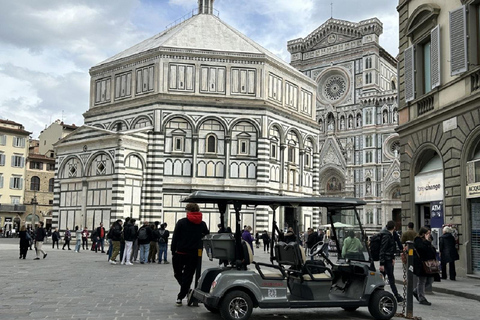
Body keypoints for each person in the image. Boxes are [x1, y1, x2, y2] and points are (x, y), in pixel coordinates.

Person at [171, 203, 209, 306]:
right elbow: (207, 236)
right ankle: (184, 293)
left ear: (188, 211)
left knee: (177, 273)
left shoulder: (182, 222)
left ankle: (182, 295)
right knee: (188, 276)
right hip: (194, 254)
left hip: (180, 253)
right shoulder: (202, 224)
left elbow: (175, 237)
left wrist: (172, 250)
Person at [379, 220, 403, 302]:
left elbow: (391, 248)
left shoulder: (390, 234)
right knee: (390, 278)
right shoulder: (387, 235)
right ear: (394, 227)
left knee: (384, 278)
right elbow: (383, 249)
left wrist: (392, 257)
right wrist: (382, 263)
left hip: (388, 258)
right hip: (386, 260)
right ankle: (396, 296)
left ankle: (381, 294)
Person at [413, 227, 438, 305]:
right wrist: (427, 241)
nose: (429, 235)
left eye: (429, 233)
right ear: (423, 234)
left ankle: (416, 291)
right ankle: (421, 298)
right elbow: (421, 249)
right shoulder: (418, 240)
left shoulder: (428, 241)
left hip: (429, 264)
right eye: (427, 233)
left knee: (430, 280)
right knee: (422, 281)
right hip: (421, 264)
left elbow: (431, 249)